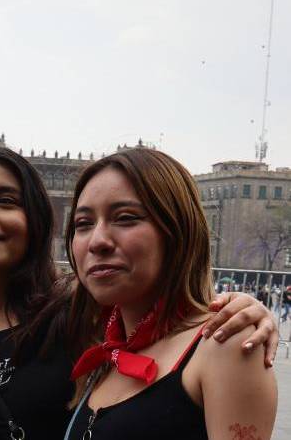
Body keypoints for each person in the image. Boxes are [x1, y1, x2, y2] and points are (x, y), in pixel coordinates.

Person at [0, 147, 278, 440]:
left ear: (37, 223)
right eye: (83, 223)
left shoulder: (76, 319)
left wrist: (245, 312)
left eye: (7, 200)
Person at [65, 148, 276, 439]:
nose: (97, 240)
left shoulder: (225, 342)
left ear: (178, 231)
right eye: (83, 224)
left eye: (125, 218)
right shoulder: (102, 347)